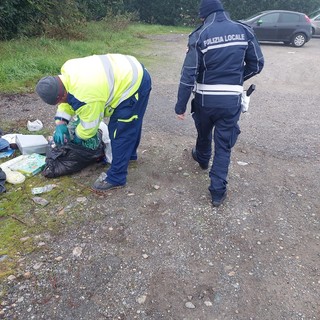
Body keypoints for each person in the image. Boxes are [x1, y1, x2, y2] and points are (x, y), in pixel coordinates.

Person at [174, 0, 264, 207]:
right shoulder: (244, 31)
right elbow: (257, 63)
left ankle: (203, 159)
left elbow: (188, 74)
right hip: (231, 101)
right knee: (223, 145)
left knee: (204, 132)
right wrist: (236, 79)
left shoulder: (200, 35)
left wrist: (180, 106)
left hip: (205, 101)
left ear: (204, 16)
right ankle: (217, 192)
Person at [36, 53, 152, 192]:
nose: (61, 103)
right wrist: (61, 123)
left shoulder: (87, 95)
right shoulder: (67, 72)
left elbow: (89, 128)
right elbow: (68, 100)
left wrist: (77, 140)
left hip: (133, 84)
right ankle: (129, 156)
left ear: (61, 94)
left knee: (120, 130)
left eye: (59, 101)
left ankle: (117, 177)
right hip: (128, 69)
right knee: (131, 123)